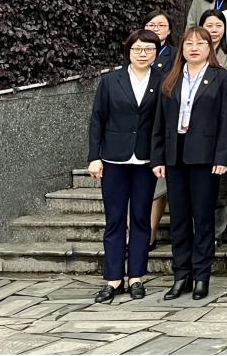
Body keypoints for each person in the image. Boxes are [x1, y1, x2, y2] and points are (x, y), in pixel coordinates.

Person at [151, 26, 227, 301]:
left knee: (203, 219)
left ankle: (201, 276)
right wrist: (158, 157)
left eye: (200, 43)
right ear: (182, 49)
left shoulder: (222, 78)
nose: (194, 48)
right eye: (189, 43)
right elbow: (159, 122)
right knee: (178, 219)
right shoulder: (171, 78)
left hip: (206, 158)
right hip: (175, 157)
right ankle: (181, 275)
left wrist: (223, 157)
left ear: (210, 48)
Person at [87, 29, 163, 303]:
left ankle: (136, 277)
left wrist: (160, 158)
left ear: (156, 53)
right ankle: (113, 278)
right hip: (114, 159)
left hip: (145, 161)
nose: (142, 54)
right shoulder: (111, 81)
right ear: (128, 51)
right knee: (115, 220)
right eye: (137, 49)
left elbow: (162, 124)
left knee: (141, 220)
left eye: (148, 49)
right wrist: (94, 157)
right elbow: (97, 119)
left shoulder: (163, 80)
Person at [198, 10, 227, 75]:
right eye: (209, 26)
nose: (214, 30)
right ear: (201, 28)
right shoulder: (193, 52)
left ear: (224, 28)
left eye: (218, 25)